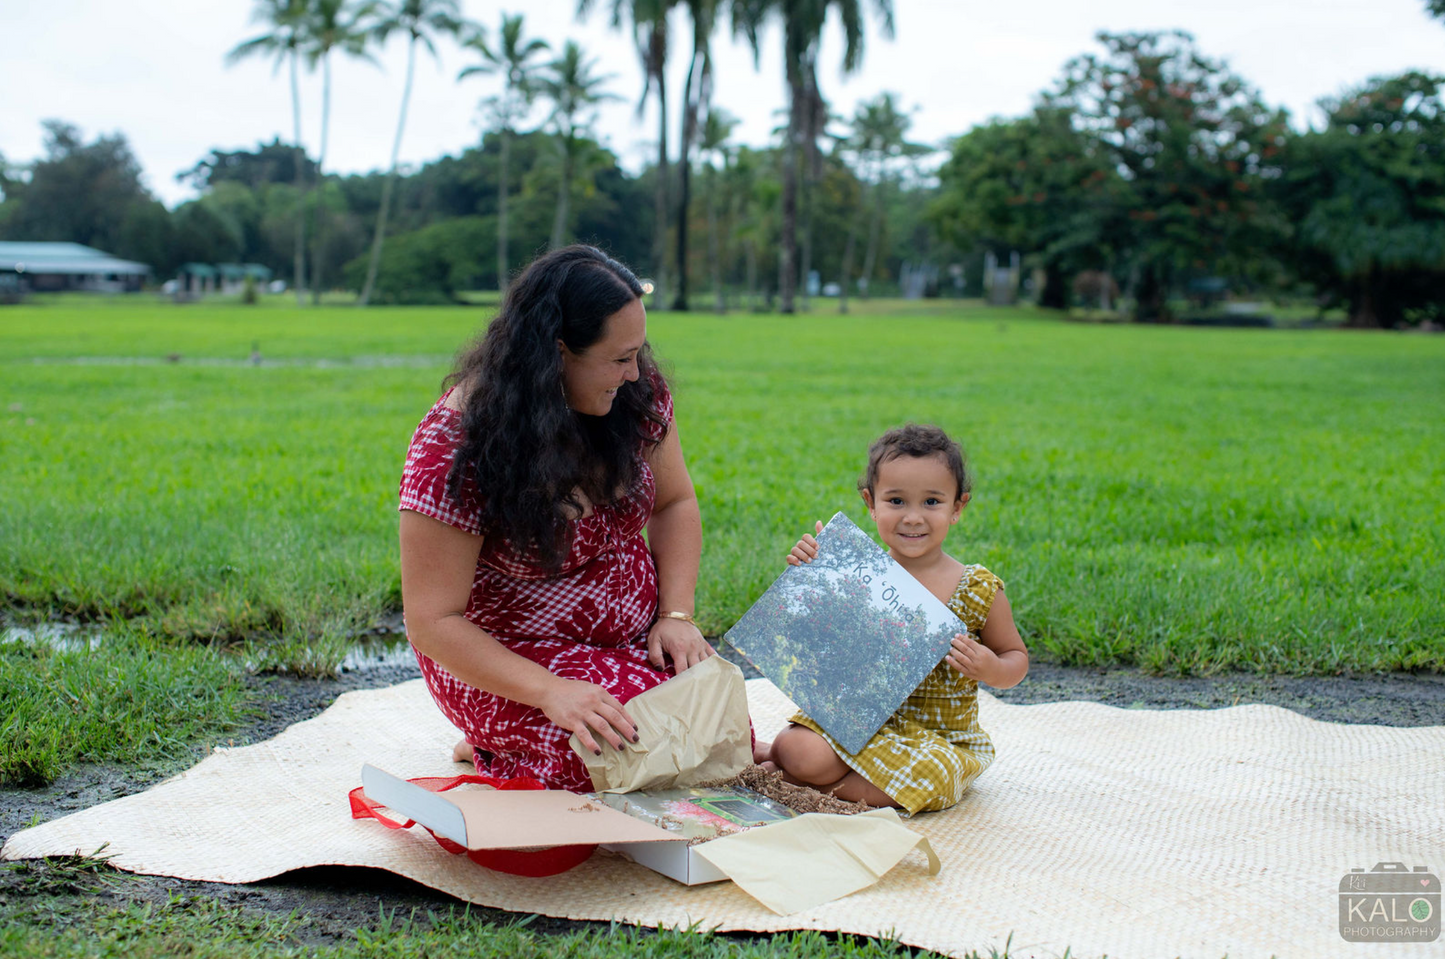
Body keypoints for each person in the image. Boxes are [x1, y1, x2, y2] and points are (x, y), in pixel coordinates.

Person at [397, 245, 715, 793]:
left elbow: (675, 504)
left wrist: (677, 615)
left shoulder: (634, 395)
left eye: (637, 353)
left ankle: (516, 741)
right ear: (557, 353)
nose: (635, 372)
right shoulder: (454, 445)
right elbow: (431, 621)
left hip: (631, 643)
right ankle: (497, 740)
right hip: (512, 662)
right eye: (618, 359)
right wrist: (551, 692)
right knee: (615, 757)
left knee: (718, 729)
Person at [755, 424, 1029, 814]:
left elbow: (1016, 658)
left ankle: (796, 783)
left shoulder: (977, 589)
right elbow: (812, 640)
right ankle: (793, 767)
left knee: (933, 779)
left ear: (957, 508)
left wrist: (990, 667)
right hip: (857, 718)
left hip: (934, 739)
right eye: (896, 501)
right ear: (871, 503)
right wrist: (813, 571)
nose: (913, 518)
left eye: (932, 502)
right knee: (796, 748)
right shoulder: (855, 571)